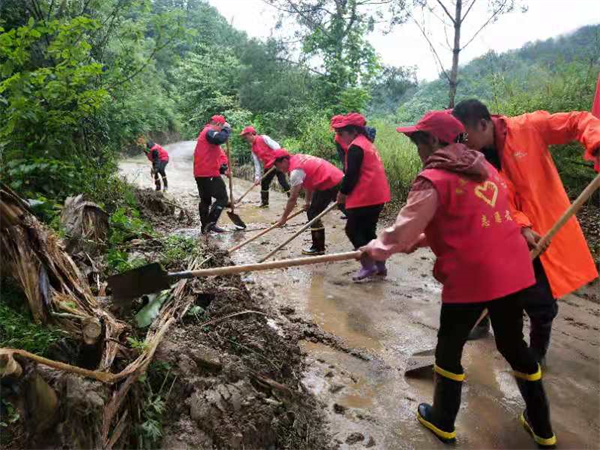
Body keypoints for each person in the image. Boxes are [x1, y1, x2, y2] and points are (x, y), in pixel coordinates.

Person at [362, 111, 556, 448]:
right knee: (514, 346)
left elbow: (404, 230)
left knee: (448, 349)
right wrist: (418, 241)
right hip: (511, 272)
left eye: (418, 142)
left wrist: (376, 249)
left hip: (473, 278)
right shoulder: (486, 168)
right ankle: (543, 428)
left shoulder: (434, 178)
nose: (417, 150)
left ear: (435, 141)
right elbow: (469, 219)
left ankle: (443, 421)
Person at [452, 99, 600, 363]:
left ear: (483, 124)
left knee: (539, 300)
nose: (462, 141)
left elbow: (577, 120)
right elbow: (497, 197)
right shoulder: (475, 158)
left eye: (465, 134)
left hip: (544, 229)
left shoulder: (528, 127)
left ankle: (537, 352)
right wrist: (520, 225)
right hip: (502, 227)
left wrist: (597, 143)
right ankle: (482, 322)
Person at [331, 113, 391, 281]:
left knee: (352, 230)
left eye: (341, 134)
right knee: (368, 231)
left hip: (367, 195)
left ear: (352, 131)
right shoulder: (367, 144)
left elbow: (351, 176)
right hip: (378, 195)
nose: (339, 138)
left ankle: (368, 265)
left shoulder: (356, 147)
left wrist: (342, 194)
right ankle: (380, 264)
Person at [272, 149, 343, 256]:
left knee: (313, 213)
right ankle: (365, 237)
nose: (280, 170)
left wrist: (284, 218)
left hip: (329, 182)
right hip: (336, 179)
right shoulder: (298, 159)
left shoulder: (295, 171)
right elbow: (309, 183)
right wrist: (307, 202)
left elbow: (292, 198)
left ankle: (318, 248)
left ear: (285, 161)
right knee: (346, 209)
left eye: (278, 166)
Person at [331, 116, 378, 220]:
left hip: (358, 165)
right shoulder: (341, 138)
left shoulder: (360, 140)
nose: (336, 131)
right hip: (352, 164)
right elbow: (343, 156)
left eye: (338, 129)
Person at [193, 115, 232, 233]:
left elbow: (212, 157)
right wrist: (227, 129)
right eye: (221, 128)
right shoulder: (209, 132)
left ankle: (205, 228)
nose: (221, 131)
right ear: (218, 124)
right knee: (223, 198)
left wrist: (224, 170)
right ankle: (210, 224)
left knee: (205, 200)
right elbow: (220, 138)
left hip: (201, 173)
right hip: (208, 173)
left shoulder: (205, 135)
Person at [240, 126, 290, 207]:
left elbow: (277, 147)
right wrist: (257, 177)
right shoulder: (253, 149)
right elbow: (257, 164)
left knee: (281, 181)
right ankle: (265, 203)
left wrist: (277, 160)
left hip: (277, 162)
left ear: (250, 134)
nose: (246, 139)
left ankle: (291, 201)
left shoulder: (263, 138)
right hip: (268, 166)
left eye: (246, 137)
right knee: (267, 182)